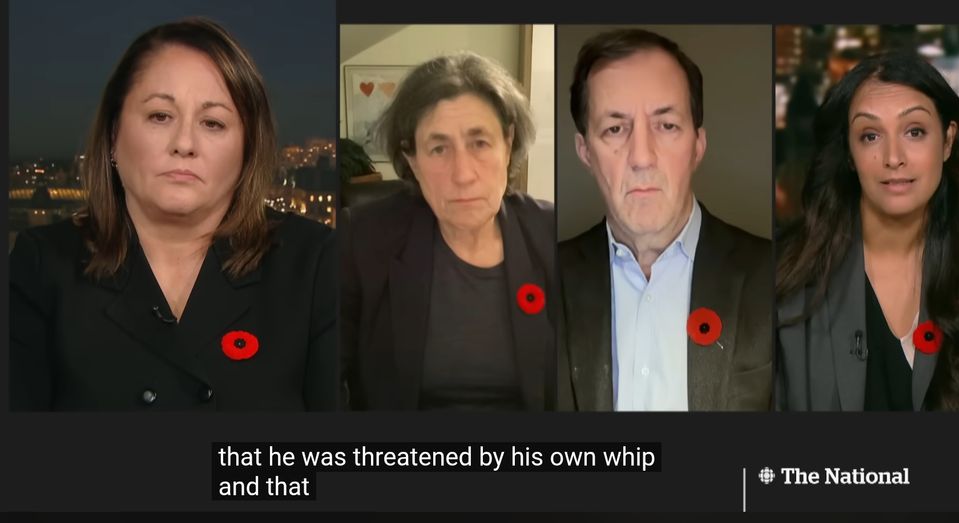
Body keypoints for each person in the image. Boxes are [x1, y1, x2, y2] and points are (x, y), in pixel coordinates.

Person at [8, 18, 337, 411]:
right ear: (114, 135)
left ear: (248, 151)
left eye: (213, 123)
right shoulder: (42, 264)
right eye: (160, 116)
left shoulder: (315, 264)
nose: (184, 143)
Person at [558, 29, 772, 411]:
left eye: (667, 125)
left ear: (697, 145)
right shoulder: (543, 282)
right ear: (585, 152)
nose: (642, 156)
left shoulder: (776, 278)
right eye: (615, 129)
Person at [775, 50, 959, 411]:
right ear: (849, 152)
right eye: (871, 136)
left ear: (948, 141)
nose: (893, 157)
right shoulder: (784, 275)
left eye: (915, 131)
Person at [340, 51, 555, 411]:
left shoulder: (552, 234)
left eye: (480, 143)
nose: (463, 174)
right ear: (412, 160)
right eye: (439, 148)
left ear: (508, 145)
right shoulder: (363, 239)